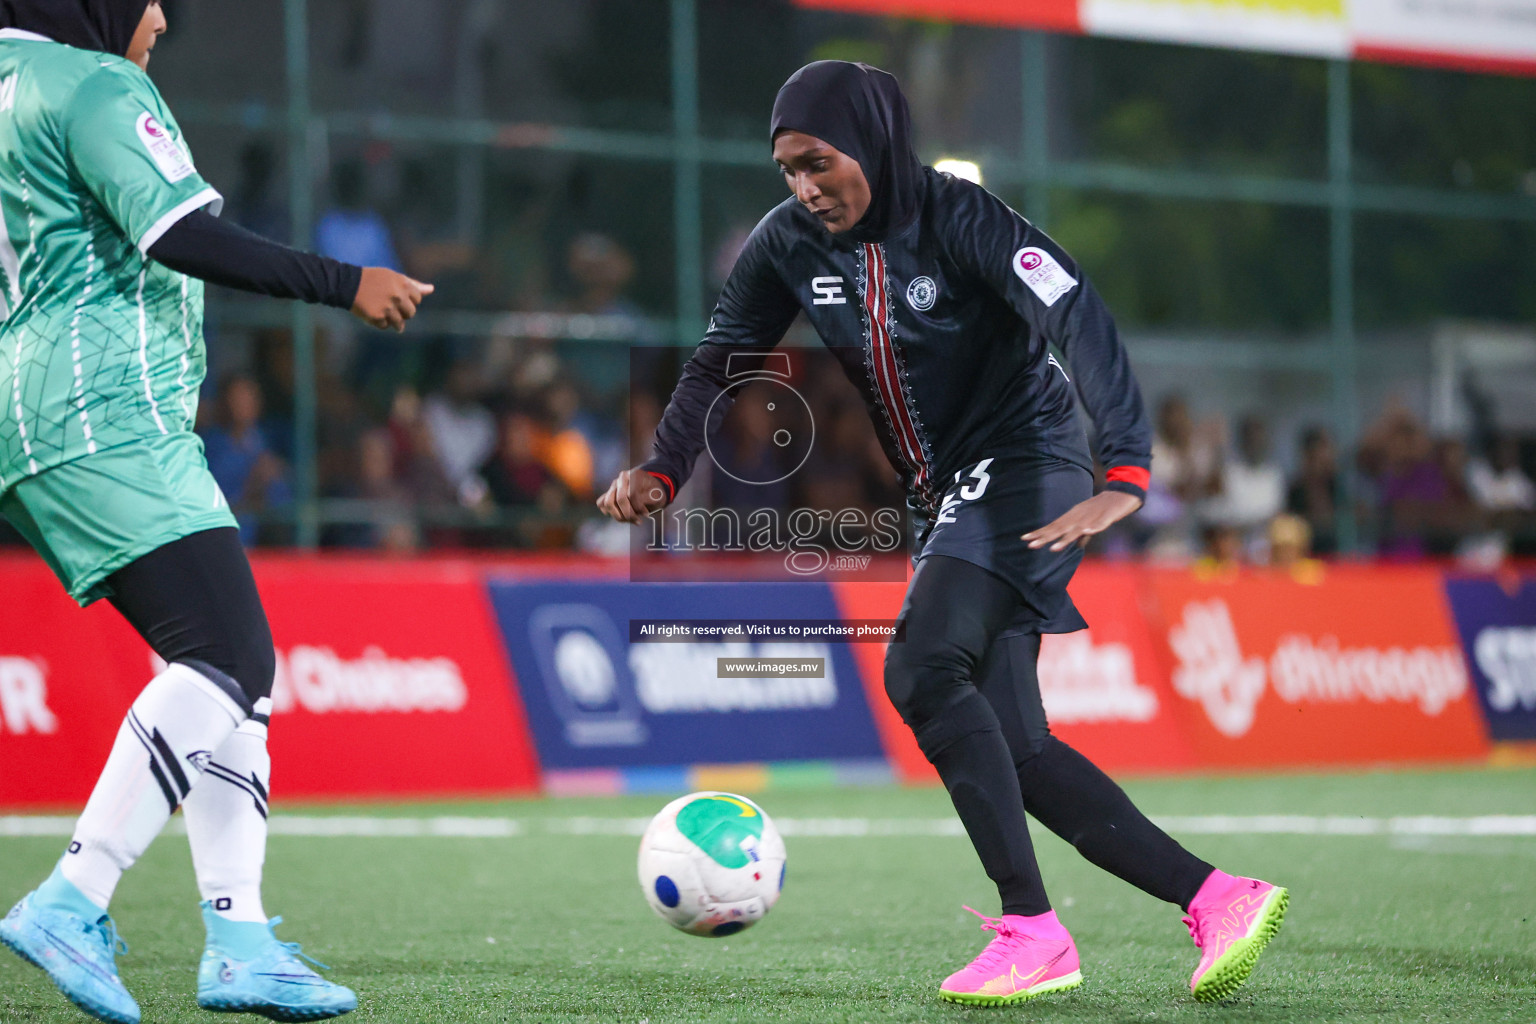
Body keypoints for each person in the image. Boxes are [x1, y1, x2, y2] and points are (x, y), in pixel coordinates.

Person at [597, 61, 1286, 1007]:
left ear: (872, 141)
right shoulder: (789, 242)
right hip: (947, 494)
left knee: (920, 669)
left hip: (1029, 459)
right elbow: (719, 358)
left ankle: (1033, 932)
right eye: (788, 169)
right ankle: (1218, 896)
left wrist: (1126, 465)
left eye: (820, 162)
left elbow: (1074, 310)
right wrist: (665, 470)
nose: (804, 186)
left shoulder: (960, 217)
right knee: (1018, 744)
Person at [0, 4, 432, 1022]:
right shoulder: (89, 83)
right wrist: (345, 282)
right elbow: (181, 234)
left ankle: (238, 934)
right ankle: (75, 893)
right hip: (107, 409)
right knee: (226, 656)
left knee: (237, 672)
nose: (157, 18)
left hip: (45, 413)